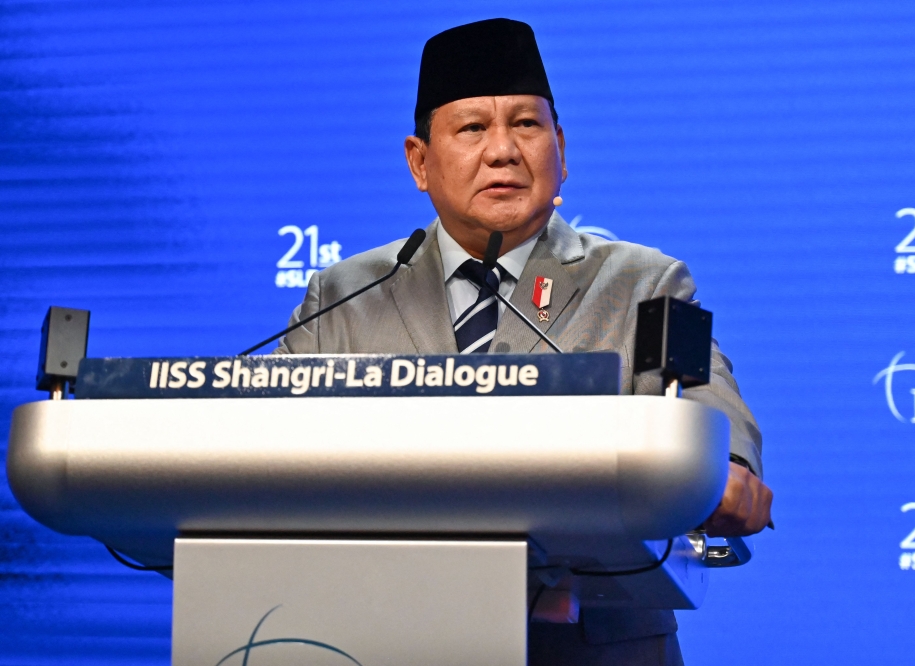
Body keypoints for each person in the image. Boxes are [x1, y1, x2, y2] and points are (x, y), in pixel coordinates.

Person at [277, 18, 772, 666]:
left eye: (526, 125)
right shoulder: (343, 295)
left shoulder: (645, 283)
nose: (503, 150)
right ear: (420, 161)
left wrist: (727, 468)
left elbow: (705, 398)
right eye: (473, 128)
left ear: (561, 147)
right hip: (381, 641)